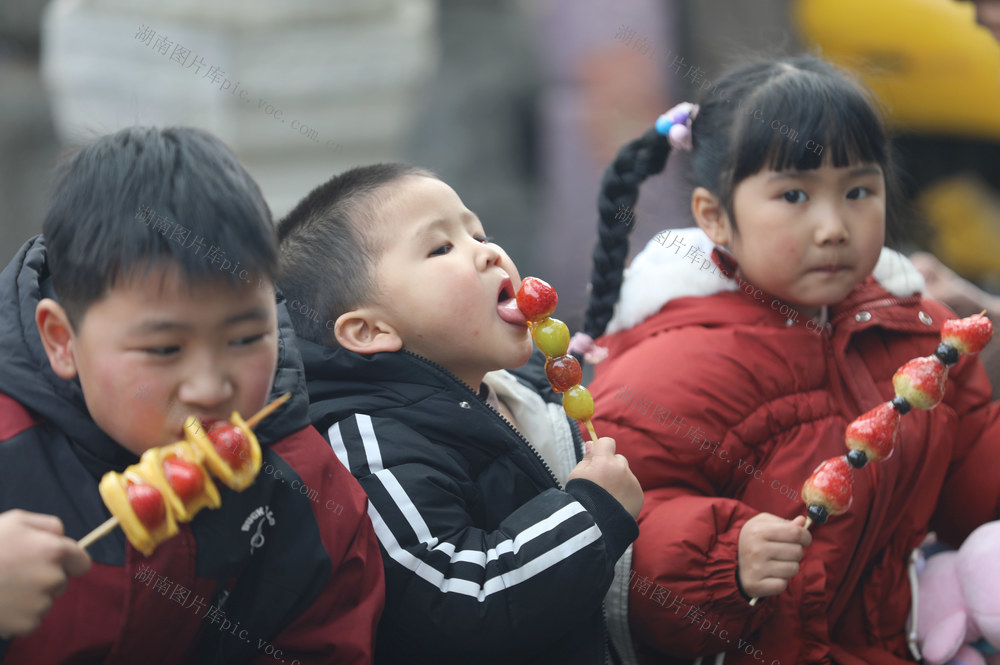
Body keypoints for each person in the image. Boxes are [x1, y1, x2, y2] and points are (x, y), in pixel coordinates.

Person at [577, 55, 1000, 664]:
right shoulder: (670, 368)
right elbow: (616, 550)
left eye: (858, 190)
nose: (833, 227)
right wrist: (724, 561)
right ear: (714, 217)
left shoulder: (921, 334)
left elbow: (972, 488)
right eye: (794, 195)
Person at [0, 126, 384, 664]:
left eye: (247, 338)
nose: (210, 388)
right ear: (62, 341)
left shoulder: (306, 488)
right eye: (163, 350)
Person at [275, 163, 643, 665]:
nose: (489, 251)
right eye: (442, 248)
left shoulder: (526, 387)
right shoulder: (367, 447)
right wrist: (591, 514)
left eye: (478, 232)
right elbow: (456, 599)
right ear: (369, 331)